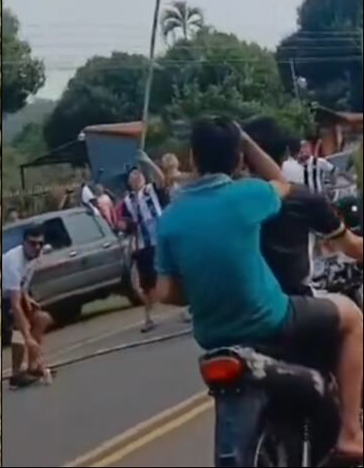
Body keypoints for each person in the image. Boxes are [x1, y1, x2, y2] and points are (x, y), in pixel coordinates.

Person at [155, 117, 363, 461]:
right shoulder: (252, 196)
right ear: (240, 158)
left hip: (213, 336)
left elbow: (165, 291)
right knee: (353, 317)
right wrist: (247, 143)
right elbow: (282, 184)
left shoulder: (171, 217)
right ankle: (351, 434)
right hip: (275, 317)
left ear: (192, 157)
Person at [244, 117, 363, 295]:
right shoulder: (298, 194)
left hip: (241, 301)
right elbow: (354, 247)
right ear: (287, 152)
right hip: (290, 301)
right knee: (350, 313)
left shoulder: (226, 200)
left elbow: (340, 173)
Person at [117, 159, 168, 332]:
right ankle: (149, 316)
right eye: (133, 175)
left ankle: (188, 308)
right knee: (147, 283)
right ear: (129, 182)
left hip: (161, 239)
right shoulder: (127, 201)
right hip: (142, 245)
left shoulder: (151, 190)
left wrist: (147, 161)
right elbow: (123, 221)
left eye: (139, 174)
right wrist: (123, 225)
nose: (136, 177)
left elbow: (162, 179)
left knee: (176, 271)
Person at [2, 224, 52, 389]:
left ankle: (33, 367)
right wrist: (27, 336)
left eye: (40, 243)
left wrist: (27, 297)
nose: (36, 247)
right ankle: (16, 375)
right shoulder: (12, 261)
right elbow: (14, 305)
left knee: (42, 319)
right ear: (23, 243)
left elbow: (24, 281)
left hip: (17, 292)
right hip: (2, 297)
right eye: (32, 243)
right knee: (19, 330)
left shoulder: (37, 255)